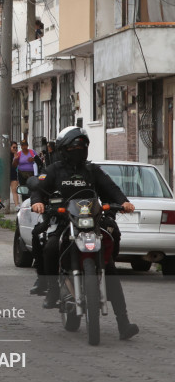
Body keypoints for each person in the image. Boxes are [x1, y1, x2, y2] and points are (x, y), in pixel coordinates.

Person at [30, 126, 139, 340]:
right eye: (73, 146)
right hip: (64, 221)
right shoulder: (53, 170)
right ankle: (53, 288)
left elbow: (111, 188)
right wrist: (37, 204)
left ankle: (123, 323)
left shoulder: (91, 170)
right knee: (51, 247)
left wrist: (123, 202)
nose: (78, 149)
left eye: (81, 146)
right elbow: (38, 188)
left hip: (90, 222)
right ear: (63, 149)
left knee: (109, 262)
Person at [9, 141, 20, 210]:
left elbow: (15, 166)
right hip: (6, 174)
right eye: (13, 147)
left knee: (14, 190)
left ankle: (17, 205)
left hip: (13, 174)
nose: (15, 149)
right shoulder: (6, 154)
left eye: (16, 147)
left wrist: (16, 159)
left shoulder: (17, 155)